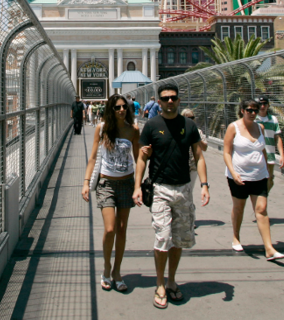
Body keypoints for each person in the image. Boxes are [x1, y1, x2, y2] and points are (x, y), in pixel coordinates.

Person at [133, 84, 209, 310]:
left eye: (173, 98)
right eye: (165, 98)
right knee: (162, 238)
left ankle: (172, 280)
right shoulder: (151, 126)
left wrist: (204, 185)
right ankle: (159, 284)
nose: (169, 101)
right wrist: (137, 186)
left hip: (184, 189)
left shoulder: (189, 125)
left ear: (178, 100)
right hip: (160, 190)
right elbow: (141, 158)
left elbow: (199, 156)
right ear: (158, 101)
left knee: (178, 240)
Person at [82, 94, 140, 292]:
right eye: (117, 108)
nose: (122, 110)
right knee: (110, 229)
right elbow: (92, 158)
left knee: (122, 229)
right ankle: (106, 267)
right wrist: (86, 182)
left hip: (126, 183)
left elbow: (138, 158)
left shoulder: (133, 130)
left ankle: (117, 271)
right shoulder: (102, 128)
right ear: (111, 110)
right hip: (106, 183)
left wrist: (139, 185)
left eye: (124, 107)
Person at [223, 99, 284, 261]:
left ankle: (269, 248)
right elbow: (227, 152)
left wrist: (267, 172)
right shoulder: (233, 127)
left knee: (262, 209)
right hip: (238, 176)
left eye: (255, 111)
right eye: (249, 110)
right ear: (242, 110)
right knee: (239, 208)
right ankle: (236, 237)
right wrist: (233, 172)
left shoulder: (260, 127)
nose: (252, 113)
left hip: (259, 175)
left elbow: (263, 150)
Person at [254, 96, 284, 192]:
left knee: (270, 179)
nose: (262, 106)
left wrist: (282, 155)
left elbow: (278, 137)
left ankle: (262, 198)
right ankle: (259, 200)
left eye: (265, 104)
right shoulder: (253, 120)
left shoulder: (274, 119)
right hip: (257, 155)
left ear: (268, 105)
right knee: (257, 179)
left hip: (270, 155)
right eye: (260, 104)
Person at [181, 109, 208, 191]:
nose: (190, 120)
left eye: (191, 118)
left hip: (193, 165)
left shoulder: (198, 132)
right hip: (181, 166)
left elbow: (205, 148)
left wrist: (196, 136)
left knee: (189, 190)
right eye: (187, 118)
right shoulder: (179, 131)